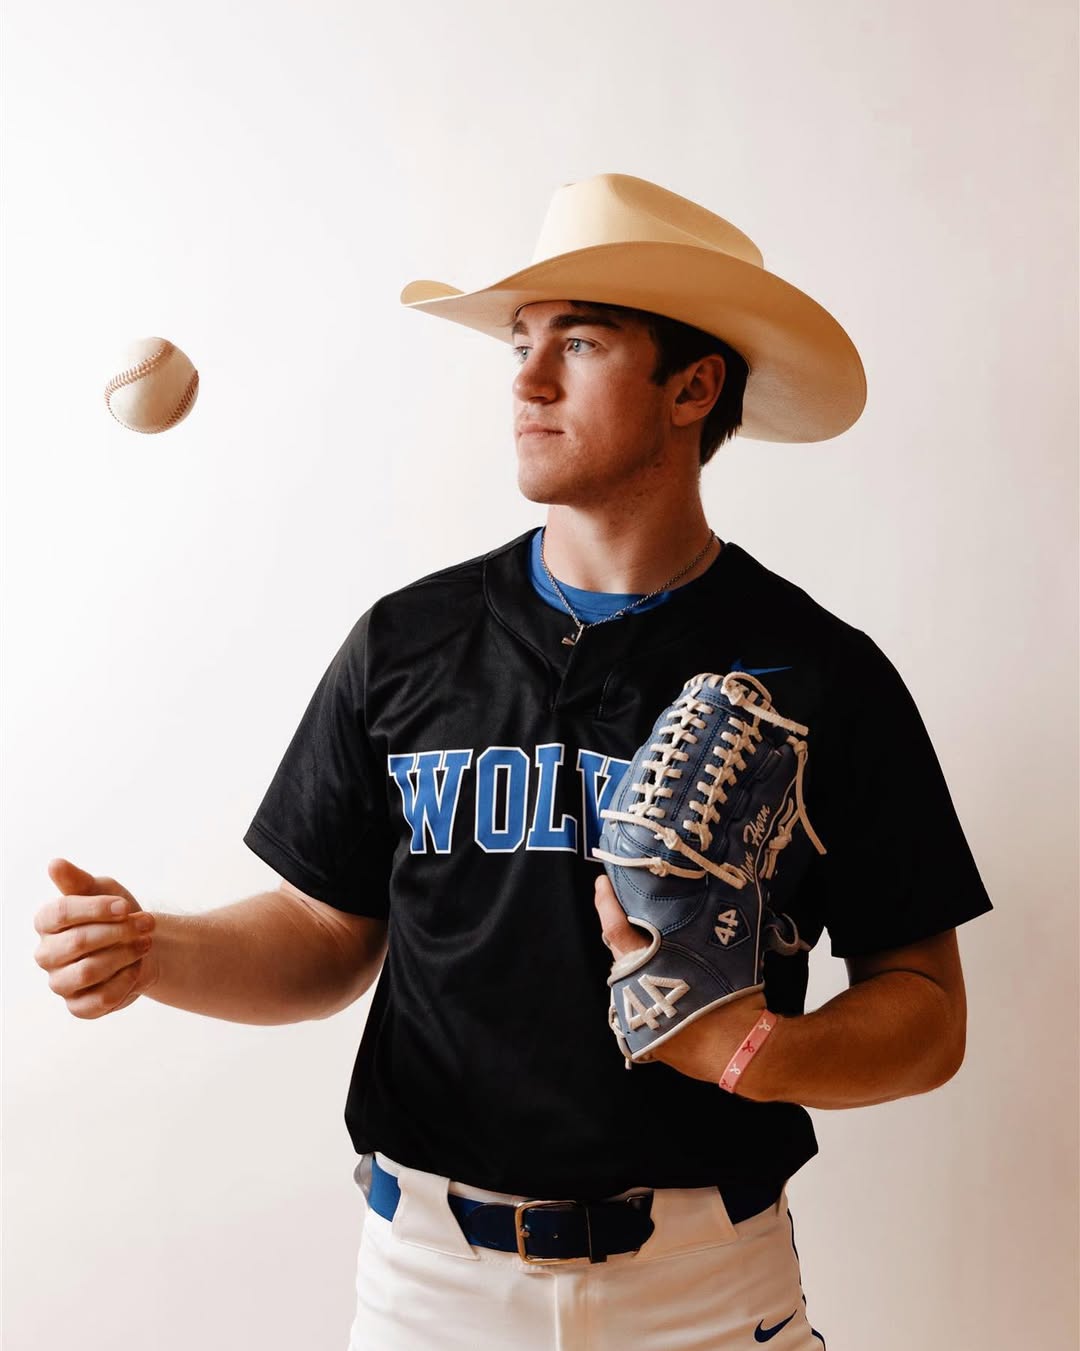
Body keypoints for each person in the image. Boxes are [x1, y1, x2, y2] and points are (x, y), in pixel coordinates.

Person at [34, 173, 993, 1350]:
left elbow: (927, 1014)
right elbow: (326, 932)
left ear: (693, 387)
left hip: (703, 1284)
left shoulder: (817, 671)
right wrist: (152, 950)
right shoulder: (408, 642)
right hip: (432, 1283)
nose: (528, 379)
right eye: (521, 343)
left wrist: (753, 1048)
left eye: (578, 343)